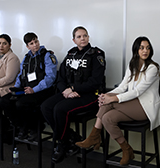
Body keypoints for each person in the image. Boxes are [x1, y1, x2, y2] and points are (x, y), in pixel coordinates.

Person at [75, 36, 160, 165]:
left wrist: (111, 98)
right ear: (136, 50)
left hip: (145, 108)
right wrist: (106, 95)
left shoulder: (152, 68)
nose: (145, 51)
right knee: (107, 118)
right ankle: (126, 149)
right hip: (130, 107)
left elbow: (138, 92)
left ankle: (94, 136)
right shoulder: (132, 66)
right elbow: (122, 87)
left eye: (147, 48)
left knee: (110, 103)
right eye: (141, 48)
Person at [41, 26, 106, 163]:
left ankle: (62, 143)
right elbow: (60, 78)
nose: (83, 38)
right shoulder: (70, 54)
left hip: (90, 95)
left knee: (60, 109)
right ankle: (71, 137)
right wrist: (65, 90)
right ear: (74, 40)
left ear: (88, 37)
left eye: (85, 36)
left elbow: (96, 81)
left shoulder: (97, 54)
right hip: (69, 92)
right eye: (79, 36)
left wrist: (74, 88)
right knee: (46, 106)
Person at [0, 32, 57, 141]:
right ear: (27, 46)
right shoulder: (26, 58)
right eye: (31, 43)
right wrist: (15, 89)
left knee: (22, 103)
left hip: (43, 90)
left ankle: (34, 128)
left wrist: (34, 90)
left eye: (36, 41)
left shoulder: (47, 56)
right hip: (27, 89)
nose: (35, 45)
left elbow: (50, 78)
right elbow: (21, 75)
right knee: (4, 101)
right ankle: (21, 126)